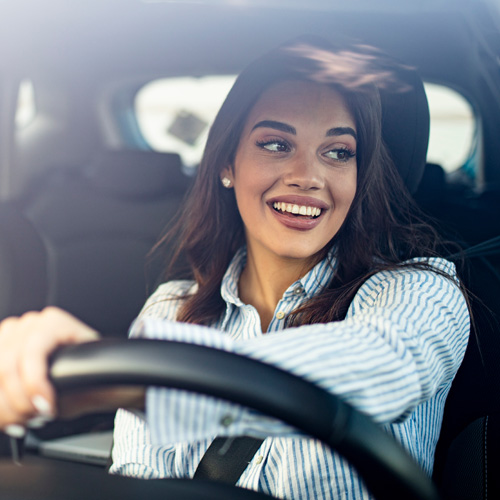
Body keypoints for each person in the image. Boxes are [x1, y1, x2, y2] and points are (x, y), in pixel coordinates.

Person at [0, 38, 469, 499]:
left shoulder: (421, 291)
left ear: (359, 176)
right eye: (276, 143)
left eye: (339, 152)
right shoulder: (171, 310)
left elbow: (385, 365)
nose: (307, 175)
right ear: (228, 163)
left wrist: (134, 386)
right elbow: (136, 478)